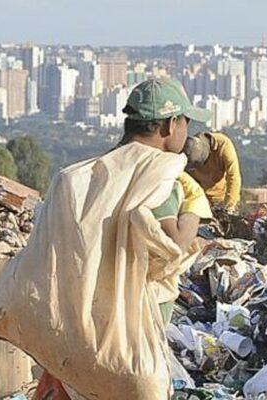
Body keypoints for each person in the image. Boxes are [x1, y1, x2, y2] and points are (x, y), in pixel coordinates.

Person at [32, 78, 213, 400]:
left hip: (81, 319)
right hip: (133, 327)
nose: (187, 132)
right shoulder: (157, 176)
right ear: (171, 125)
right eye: (186, 122)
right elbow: (172, 247)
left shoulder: (86, 174)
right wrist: (194, 210)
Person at [182, 131, 242, 213]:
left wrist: (229, 207)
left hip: (223, 198)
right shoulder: (189, 150)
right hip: (201, 199)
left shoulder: (224, 145)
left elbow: (233, 176)